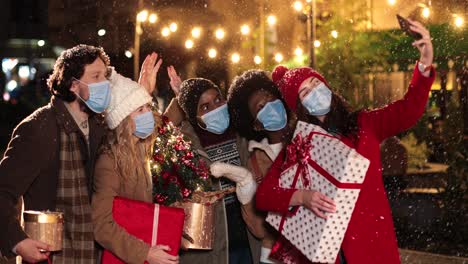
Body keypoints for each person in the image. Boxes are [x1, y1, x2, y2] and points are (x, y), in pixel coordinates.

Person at [256, 19, 435, 263]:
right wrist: (301, 197)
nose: (315, 91)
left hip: (372, 246)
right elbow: (265, 195)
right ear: (298, 106)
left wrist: (424, 64)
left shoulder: (363, 124)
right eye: (305, 92)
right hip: (324, 251)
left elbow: (408, 110)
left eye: (316, 83)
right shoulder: (299, 147)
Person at [0, 44, 160, 263]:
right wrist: (18, 241)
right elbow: (3, 192)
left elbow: (132, 131)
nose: (105, 84)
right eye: (96, 76)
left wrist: (142, 95)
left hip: (90, 256)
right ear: (74, 85)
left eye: (105, 76)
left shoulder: (97, 126)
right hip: (51, 256)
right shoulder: (39, 128)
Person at [163, 71, 259, 264]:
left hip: (250, 241)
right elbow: (158, 134)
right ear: (193, 116)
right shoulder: (184, 145)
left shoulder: (243, 131)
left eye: (218, 100)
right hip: (212, 252)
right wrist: (178, 100)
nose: (216, 109)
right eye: (205, 107)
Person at [91, 68, 178, 264]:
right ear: (123, 120)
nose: (148, 114)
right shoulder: (110, 162)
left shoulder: (142, 146)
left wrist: (178, 94)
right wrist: (144, 253)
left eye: (148, 107)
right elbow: (101, 224)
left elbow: (165, 122)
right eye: (140, 110)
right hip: (129, 254)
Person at [227, 69, 310, 264]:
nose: (271, 107)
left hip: (317, 249)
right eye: (261, 107)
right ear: (256, 124)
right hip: (276, 257)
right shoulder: (255, 162)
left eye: (271, 98)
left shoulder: (308, 136)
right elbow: (258, 228)